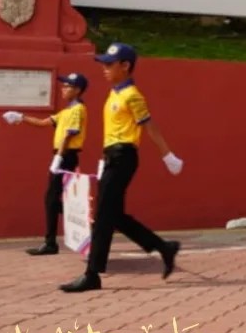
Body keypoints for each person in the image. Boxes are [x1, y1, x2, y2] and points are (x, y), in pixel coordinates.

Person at [59, 43, 182, 293]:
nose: (104, 69)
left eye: (109, 64)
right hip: (112, 157)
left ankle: (92, 274)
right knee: (113, 215)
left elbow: (149, 126)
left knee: (104, 217)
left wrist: (167, 155)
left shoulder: (132, 95)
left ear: (125, 66)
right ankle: (163, 247)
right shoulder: (114, 93)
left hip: (124, 156)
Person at [3, 71, 89, 256]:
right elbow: (43, 122)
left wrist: (58, 158)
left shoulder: (78, 110)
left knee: (52, 198)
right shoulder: (66, 111)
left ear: (78, 90)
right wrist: (21, 117)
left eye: (67, 86)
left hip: (66, 155)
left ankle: (52, 241)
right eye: (64, 85)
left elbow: (69, 134)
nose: (63, 89)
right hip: (62, 155)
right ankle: (83, 223)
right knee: (53, 199)